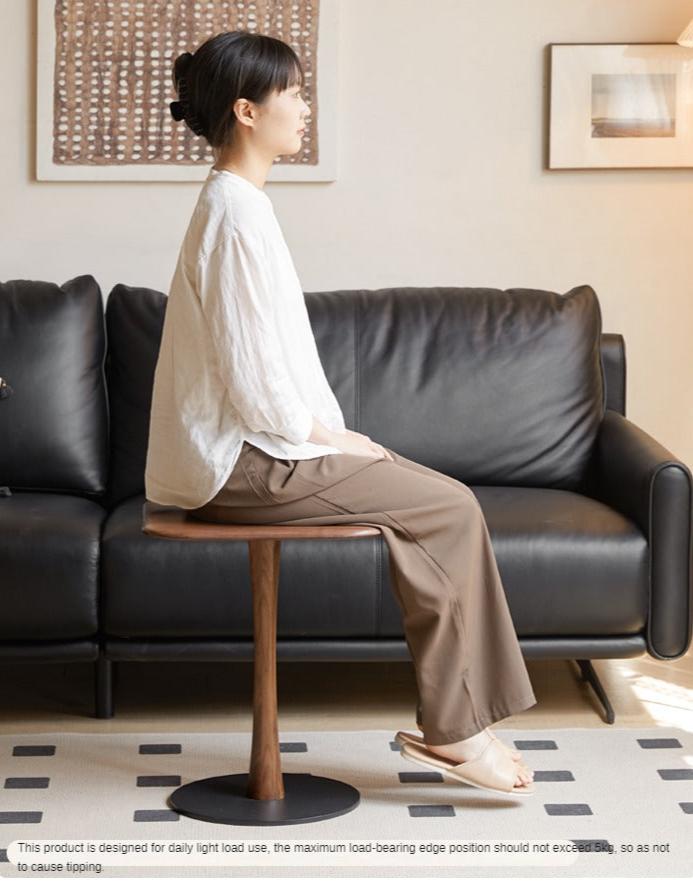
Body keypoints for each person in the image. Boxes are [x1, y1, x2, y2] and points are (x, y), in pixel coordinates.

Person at [144, 30, 537, 796]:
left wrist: (339, 438)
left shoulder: (237, 203)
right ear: (246, 111)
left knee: (435, 501)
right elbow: (252, 378)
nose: (303, 107)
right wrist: (329, 438)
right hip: (243, 464)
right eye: (292, 93)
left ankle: (461, 725)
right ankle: (456, 732)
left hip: (256, 451)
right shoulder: (234, 213)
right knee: (449, 507)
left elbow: (268, 363)